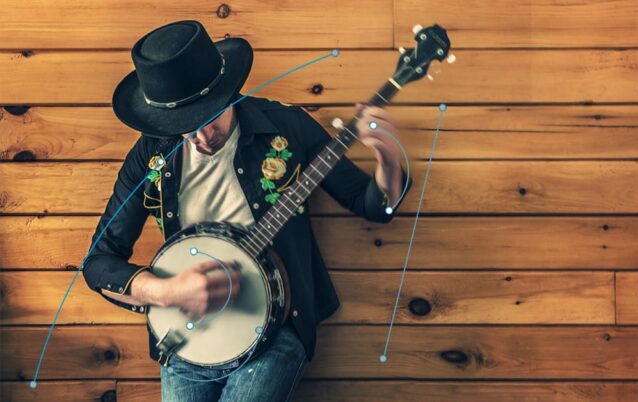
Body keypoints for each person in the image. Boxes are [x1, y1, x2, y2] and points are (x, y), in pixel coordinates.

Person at [81, 20, 413, 402]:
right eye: (184, 128)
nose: (201, 137)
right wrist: (167, 291)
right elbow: (99, 261)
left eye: (208, 117)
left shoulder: (285, 126)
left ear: (227, 91)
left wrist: (388, 156)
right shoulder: (151, 156)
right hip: (188, 340)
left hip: (277, 328)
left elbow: (372, 204)